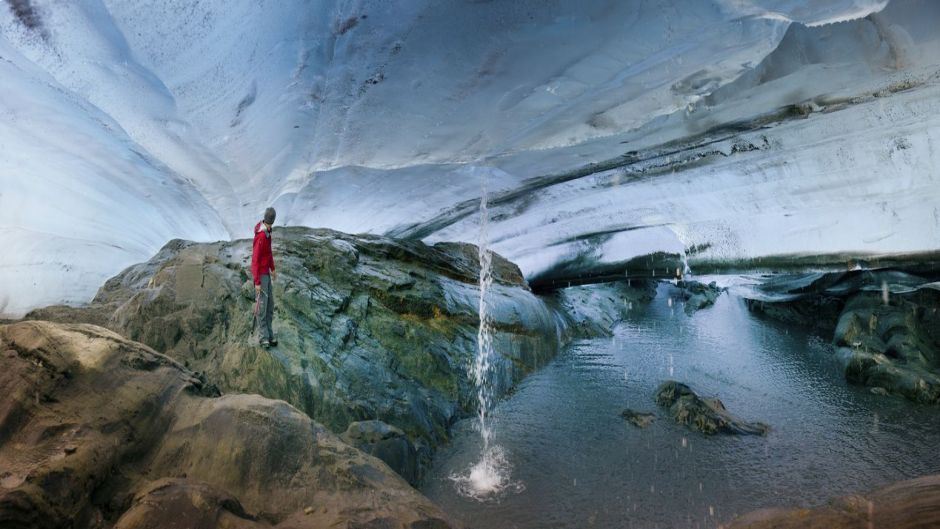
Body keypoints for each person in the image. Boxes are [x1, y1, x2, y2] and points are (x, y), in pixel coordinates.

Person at [251, 207, 278, 347]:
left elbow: (269, 253)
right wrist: (257, 281)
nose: (270, 224)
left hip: (266, 273)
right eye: (270, 221)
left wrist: (272, 268)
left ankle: (269, 333)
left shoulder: (268, 233)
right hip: (261, 275)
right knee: (262, 305)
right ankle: (263, 337)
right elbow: (255, 260)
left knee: (270, 305)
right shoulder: (261, 236)